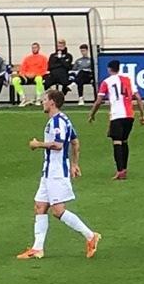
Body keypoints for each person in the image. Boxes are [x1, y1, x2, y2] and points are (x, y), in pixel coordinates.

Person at [16, 90, 101, 260]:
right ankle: (37, 248)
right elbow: (75, 143)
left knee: (58, 210)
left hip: (56, 172)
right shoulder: (64, 119)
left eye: (45, 99)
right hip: (49, 171)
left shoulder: (57, 122)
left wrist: (37, 144)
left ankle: (90, 235)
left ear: (52, 102)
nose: (42, 102)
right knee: (40, 206)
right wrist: (75, 164)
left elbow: (59, 145)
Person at [89, 60, 144, 180]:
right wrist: (142, 115)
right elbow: (138, 98)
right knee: (124, 141)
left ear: (109, 69)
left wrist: (92, 114)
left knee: (117, 142)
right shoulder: (128, 80)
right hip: (129, 116)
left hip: (117, 115)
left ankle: (120, 171)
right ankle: (124, 168)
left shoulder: (106, 82)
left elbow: (99, 101)